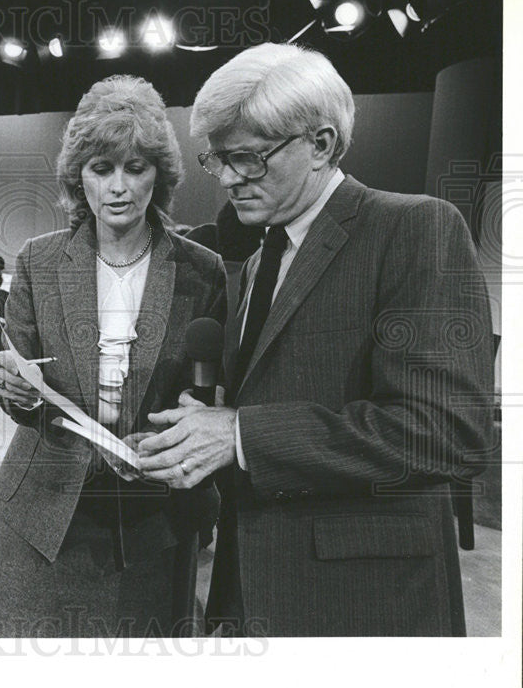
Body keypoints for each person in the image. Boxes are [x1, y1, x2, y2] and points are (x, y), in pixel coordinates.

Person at [135, 42, 495, 637]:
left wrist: (243, 434)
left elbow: (447, 433)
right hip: (253, 591)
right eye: (216, 159)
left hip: (362, 606)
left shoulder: (416, 228)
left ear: (321, 144)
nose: (227, 179)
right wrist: (197, 436)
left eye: (248, 158)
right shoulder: (257, 261)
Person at [0, 74, 227, 637]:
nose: (119, 187)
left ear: (159, 176)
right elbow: (16, 383)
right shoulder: (38, 261)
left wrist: (172, 434)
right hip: (44, 516)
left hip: (153, 524)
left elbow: (205, 394)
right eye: (101, 169)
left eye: (135, 168)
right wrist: (12, 390)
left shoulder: (202, 271)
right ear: (79, 178)